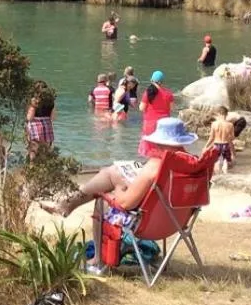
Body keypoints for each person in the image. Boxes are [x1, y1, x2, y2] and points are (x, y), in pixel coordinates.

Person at [49, 117, 202, 273]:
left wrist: (118, 188)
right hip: (176, 222)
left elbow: (125, 204)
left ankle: (98, 259)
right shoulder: (194, 164)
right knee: (110, 173)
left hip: (148, 225)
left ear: (159, 141)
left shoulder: (156, 166)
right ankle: (68, 203)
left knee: (103, 197)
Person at [136, 71, 174, 155]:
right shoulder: (168, 93)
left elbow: (141, 108)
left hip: (149, 124)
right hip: (164, 125)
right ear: (162, 82)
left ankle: (149, 165)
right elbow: (172, 108)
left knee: (148, 149)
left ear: (151, 80)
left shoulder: (148, 92)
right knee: (161, 148)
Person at [25, 83, 56, 160]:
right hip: (47, 125)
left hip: (35, 125)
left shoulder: (33, 101)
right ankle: (44, 168)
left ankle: (32, 168)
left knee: (33, 150)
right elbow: (53, 117)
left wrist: (32, 106)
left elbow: (29, 117)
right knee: (45, 150)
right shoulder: (51, 102)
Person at [208, 107, 236, 174]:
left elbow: (211, 138)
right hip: (226, 144)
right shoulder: (230, 125)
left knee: (215, 162)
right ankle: (225, 175)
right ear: (226, 114)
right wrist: (233, 151)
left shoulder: (214, 124)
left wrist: (206, 146)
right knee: (226, 162)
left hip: (216, 145)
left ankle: (217, 177)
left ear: (219, 113)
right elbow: (232, 138)